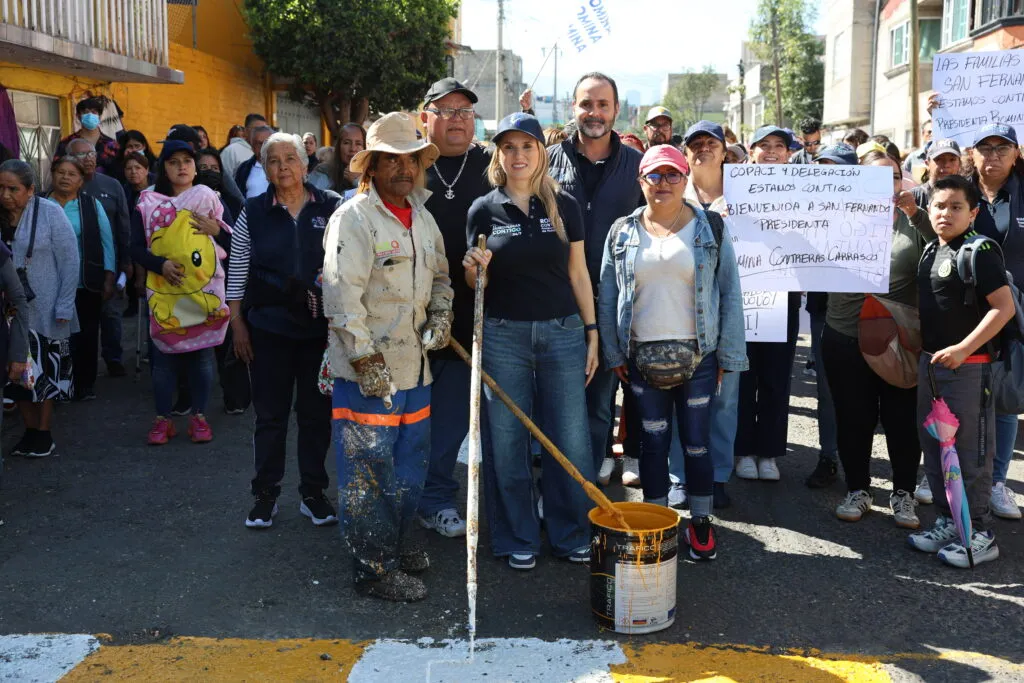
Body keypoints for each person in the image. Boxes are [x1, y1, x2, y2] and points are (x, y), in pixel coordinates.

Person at [322, 112, 453, 602]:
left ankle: (396, 545)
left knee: (409, 465)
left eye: (412, 161)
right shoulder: (352, 219)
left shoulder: (423, 217)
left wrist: (441, 316)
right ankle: (374, 569)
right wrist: (364, 361)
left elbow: (440, 278)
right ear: (370, 167)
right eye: (391, 161)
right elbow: (339, 296)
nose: (404, 170)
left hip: (414, 370)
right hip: (367, 375)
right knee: (367, 470)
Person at [598, 144, 746, 559]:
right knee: (652, 442)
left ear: (685, 179)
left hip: (699, 357)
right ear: (641, 181)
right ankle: (657, 523)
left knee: (697, 443)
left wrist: (728, 358)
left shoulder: (710, 227)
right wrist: (614, 353)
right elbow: (607, 296)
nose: (662, 184)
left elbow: (729, 293)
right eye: (654, 176)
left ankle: (700, 523)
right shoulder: (622, 231)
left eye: (672, 176)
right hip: (642, 359)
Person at [464, 112, 598, 571]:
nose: (518, 155)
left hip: (563, 332)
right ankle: (518, 535)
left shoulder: (566, 205)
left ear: (542, 151)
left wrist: (592, 332)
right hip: (503, 335)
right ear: (498, 154)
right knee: (506, 440)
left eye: (527, 146)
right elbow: (473, 281)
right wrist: (472, 268)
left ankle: (570, 533)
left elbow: (579, 273)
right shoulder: (483, 209)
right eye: (508, 147)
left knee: (571, 438)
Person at [226, 132, 341, 529]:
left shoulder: (332, 206)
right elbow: (237, 266)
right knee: (270, 415)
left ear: (305, 164)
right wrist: (236, 321)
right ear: (265, 169)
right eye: (273, 161)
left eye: (290, 158)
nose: (283, 167)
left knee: (315, 415)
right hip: (268, 327)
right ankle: (265, 495)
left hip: (319, 330)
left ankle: (313, 492)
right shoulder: (253, 211)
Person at [907, 174, 1013, 566]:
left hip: (970, 369)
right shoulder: (931, 249)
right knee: (935, 450)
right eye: (939, 205)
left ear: (973, 212)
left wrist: (964, 349)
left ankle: (981, 534)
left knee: (970, 454)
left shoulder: (979, 251)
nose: (945, 213)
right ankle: (950, 522)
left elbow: (1004, 308)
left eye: (956, 207)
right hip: (932, 366)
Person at [547, 72, 644, 488]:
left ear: (616, 110)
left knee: (599, 400)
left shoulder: (638, 167)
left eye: (603, 104)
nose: (594, 112)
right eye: (587, 104)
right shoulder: (546, 159)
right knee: (553, 399)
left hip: (613, 301)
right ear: (574, 108)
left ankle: (585, 479)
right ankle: (556, 481)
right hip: (553, 299)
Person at [826, 149, 927, 527]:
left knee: (902, 418)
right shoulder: (831, 218)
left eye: (895, 177)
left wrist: (916, 214)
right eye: (876, 178)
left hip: (898, 340)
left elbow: (943, 246)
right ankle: (858, 488)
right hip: (844, 334)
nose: (888, 185)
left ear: (904, 182)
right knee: (853, 417)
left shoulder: (913, 221)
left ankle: (903, 492)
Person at [414, 78, 492, 538]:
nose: (458, 118)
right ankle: (404, 496)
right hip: (408, 313)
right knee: (407, 418)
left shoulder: (490, 165)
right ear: (425, 118)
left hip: (471, 317)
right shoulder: (409, 165)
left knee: (450, 420)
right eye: (446, 110)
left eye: (465, 110)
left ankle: (437, 497)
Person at [130, 140, 232, 445]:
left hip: (204, 294)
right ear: (164, 168)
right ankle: (163, 419)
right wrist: (159, 264)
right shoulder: (148, 203)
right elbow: (134, 247)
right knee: (163, 361)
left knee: (202, 359)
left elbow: (231, 245)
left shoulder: (209, 200)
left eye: (188, 161)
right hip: (165, 294)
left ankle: (198, 417)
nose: (182, 167)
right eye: (174, 162)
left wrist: (217, 232)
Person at [734, 126, 802, 483]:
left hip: (784, 293)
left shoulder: (805, 191)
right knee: (744, 375)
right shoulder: (734, 188)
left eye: (779, 146)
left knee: (776, 378)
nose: (772, 152)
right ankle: (742, 449)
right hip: (744, 294)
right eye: (765, 146)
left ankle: (769, 452)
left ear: (789, 154)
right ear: (751, 151)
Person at [681, 120, 743, 508]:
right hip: (677, 313)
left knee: (724, 399)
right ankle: (676, 475)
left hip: (731, 312)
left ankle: (718, 475)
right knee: (674, 398)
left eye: (711, 143)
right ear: (686, 152)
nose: (703, 148)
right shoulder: (670, 190)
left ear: (725, 151)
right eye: (695, 143)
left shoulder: (750, 196)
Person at [0, 160, 80, 458]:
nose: (6, 195)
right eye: (1, 188)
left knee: (46, 372)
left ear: (31, 190)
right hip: (10, 312)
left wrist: (65, 305)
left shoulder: (50, 213)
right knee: (16, 373)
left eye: (13, 189)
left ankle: (44, 433)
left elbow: (70, 261)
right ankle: (29, 431)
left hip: (47, 307)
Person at [971, 122, 1024, 520]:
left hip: (1015, 314)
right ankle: (944, 475)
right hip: (964, 311)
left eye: (1001, 148)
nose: (992, 155)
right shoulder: (958, 191)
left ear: (1016, 153)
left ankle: (999, 481)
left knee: (1004, 400)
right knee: (958, 394)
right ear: (972, 154)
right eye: (984, 148)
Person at [802, 144, 857, 489]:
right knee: (828, 389)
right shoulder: (805, 208)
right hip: (824, 312)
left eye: (835, 168)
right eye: (821, 168)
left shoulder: (873, 209)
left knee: (869, 393)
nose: (828, 175)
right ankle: (829, 457)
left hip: (870, 314)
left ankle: (861, 466)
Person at [46, 157, 116, 401]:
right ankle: (58, 383)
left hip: (84, 281)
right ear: (52, 175)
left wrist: (109, 276)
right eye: (61, 172)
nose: (65, 177)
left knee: (86, 334)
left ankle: (85, 384)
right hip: (48, 283)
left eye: (72, 174)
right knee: (54, 336)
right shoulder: (40, 204)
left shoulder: (91, 205)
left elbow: (107, 241)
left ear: (80, 180)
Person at [67, 137, 131, 378]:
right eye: (82, 155)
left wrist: (126, 262)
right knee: (81, 321)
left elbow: (124, 226)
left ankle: (113, 358)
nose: (90, 158)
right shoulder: (67, 187)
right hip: (77, 267)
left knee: (111, 314)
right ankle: (81, 367)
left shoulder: (112, 185)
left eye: (92, 153)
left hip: (109, 262)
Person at [53, 97, 119, 176]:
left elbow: (118, 171)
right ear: (78, 116)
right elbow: (56, 168)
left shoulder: (111, 144)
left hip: (105, 187)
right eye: (86, 112)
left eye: (94, 112)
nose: (90, 115)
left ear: (100, 116)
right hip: (75, 187)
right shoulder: (67, 143)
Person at [221, 114, 267, 179]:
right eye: (257, 129)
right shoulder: (231, 151)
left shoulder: (268, 151)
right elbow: (223, 180)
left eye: (263, 130)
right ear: (246, 131)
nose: (261, 133)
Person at [234, 126, 273, 199]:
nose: (263, 147)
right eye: (259, 143)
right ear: (252, 146)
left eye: (267, 143)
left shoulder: (283, 167)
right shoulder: (243, 169)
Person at [330, 123, 368, 193]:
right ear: (339, 146)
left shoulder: (375, 174)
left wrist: (356, 181)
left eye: (358, 143)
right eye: (347, 143)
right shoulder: (324, 172)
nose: (353, 149)